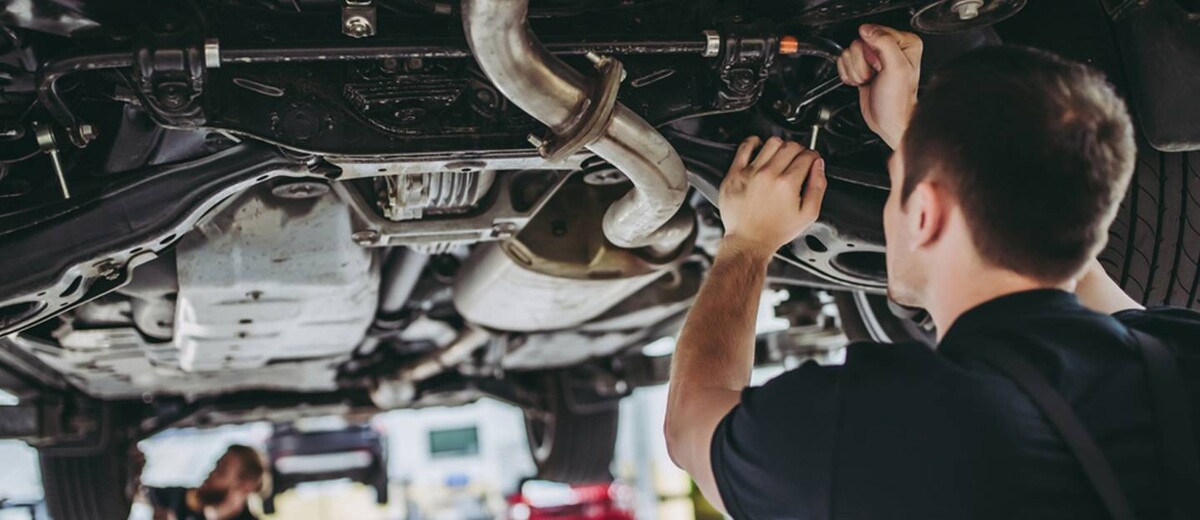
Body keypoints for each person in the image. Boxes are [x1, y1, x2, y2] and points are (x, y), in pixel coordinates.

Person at [664, 23, 1200, 520]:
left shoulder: (871, 432)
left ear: (924, 213)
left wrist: (748, 242)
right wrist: (916, 135)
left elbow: (692, 426)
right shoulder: (1179, 362)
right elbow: (1096, 291)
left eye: (895, 184)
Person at [146, 444, 268, 520]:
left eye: (221, 472)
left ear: (244, 487)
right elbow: (141, 493)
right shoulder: (185, 499)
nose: (211, 474)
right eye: (215, 466)